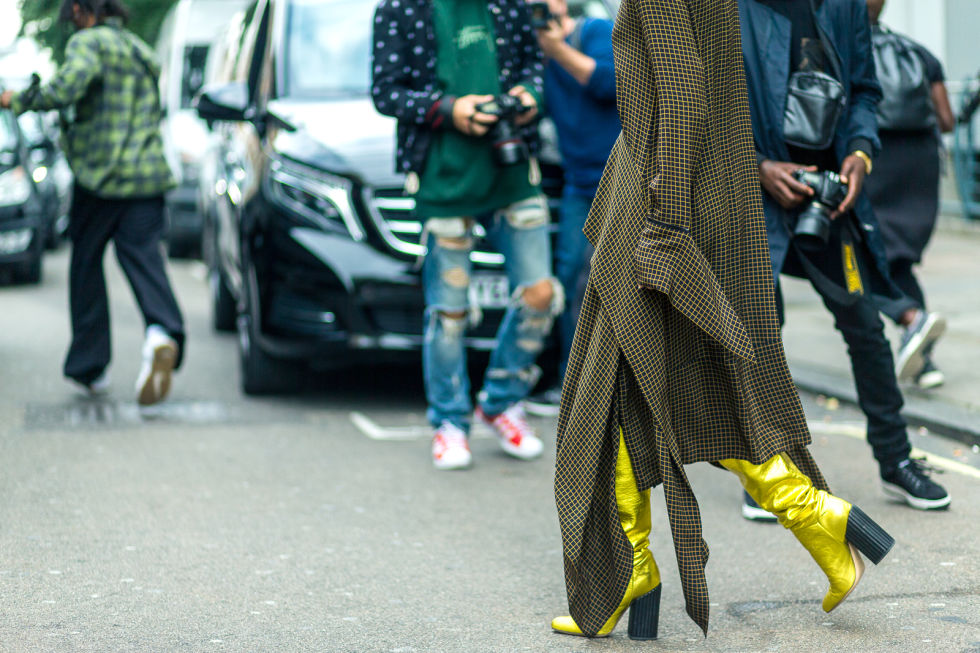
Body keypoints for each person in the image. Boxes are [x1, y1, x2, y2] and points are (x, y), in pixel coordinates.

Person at [550, 0, 895, 639]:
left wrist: (665, 227)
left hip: (655, 206)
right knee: (632, 386)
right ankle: (798, 524)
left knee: (619, 386)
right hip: (690, 197)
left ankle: (807, 516)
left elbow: (683, 105)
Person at [736, 0, 949, 517]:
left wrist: (859, 152)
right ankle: (767, 471)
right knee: (762, 332)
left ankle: (896, 459)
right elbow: (707, 108)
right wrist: (759, 165)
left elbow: (865, 91)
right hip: (752, 196)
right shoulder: (729, 8)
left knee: (864, 327)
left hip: (829, 195)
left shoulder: (842, 4)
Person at [372, 0, 564, 470]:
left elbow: (535, 71)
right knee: (449, 311)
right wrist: (449, 109)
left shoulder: (512, 4)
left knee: (540, 294)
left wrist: (526, 100)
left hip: (513, 170)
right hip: (443, 177)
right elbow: (385, 93)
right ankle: (450, 423)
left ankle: (500, 401)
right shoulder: (399, 7)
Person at [1, 0, 185, 406]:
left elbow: (67, 87)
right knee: (143, 257)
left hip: (101, 179)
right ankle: (161, 332)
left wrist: (17, 99)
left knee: (86, 264)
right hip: (148, 177)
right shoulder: (141, 50)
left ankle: (91, 367)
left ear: (83, 11)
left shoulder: (88, 44)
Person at [522, 0, 621, 417]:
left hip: (620, 179)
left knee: (604, 284)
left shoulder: (595, 31)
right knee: (567, 280)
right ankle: (571, 385)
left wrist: (556, 48)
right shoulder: (536, 55)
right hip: (579, 185)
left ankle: (606, 391)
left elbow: (611, 83)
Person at [865, 0, 956, 390]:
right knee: (898, 262)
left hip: (873, 166)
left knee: (859, 259)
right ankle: (923, 359)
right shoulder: (920, 54)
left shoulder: (844, 53)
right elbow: (947, 120)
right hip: (920, 171)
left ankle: (911, 321)